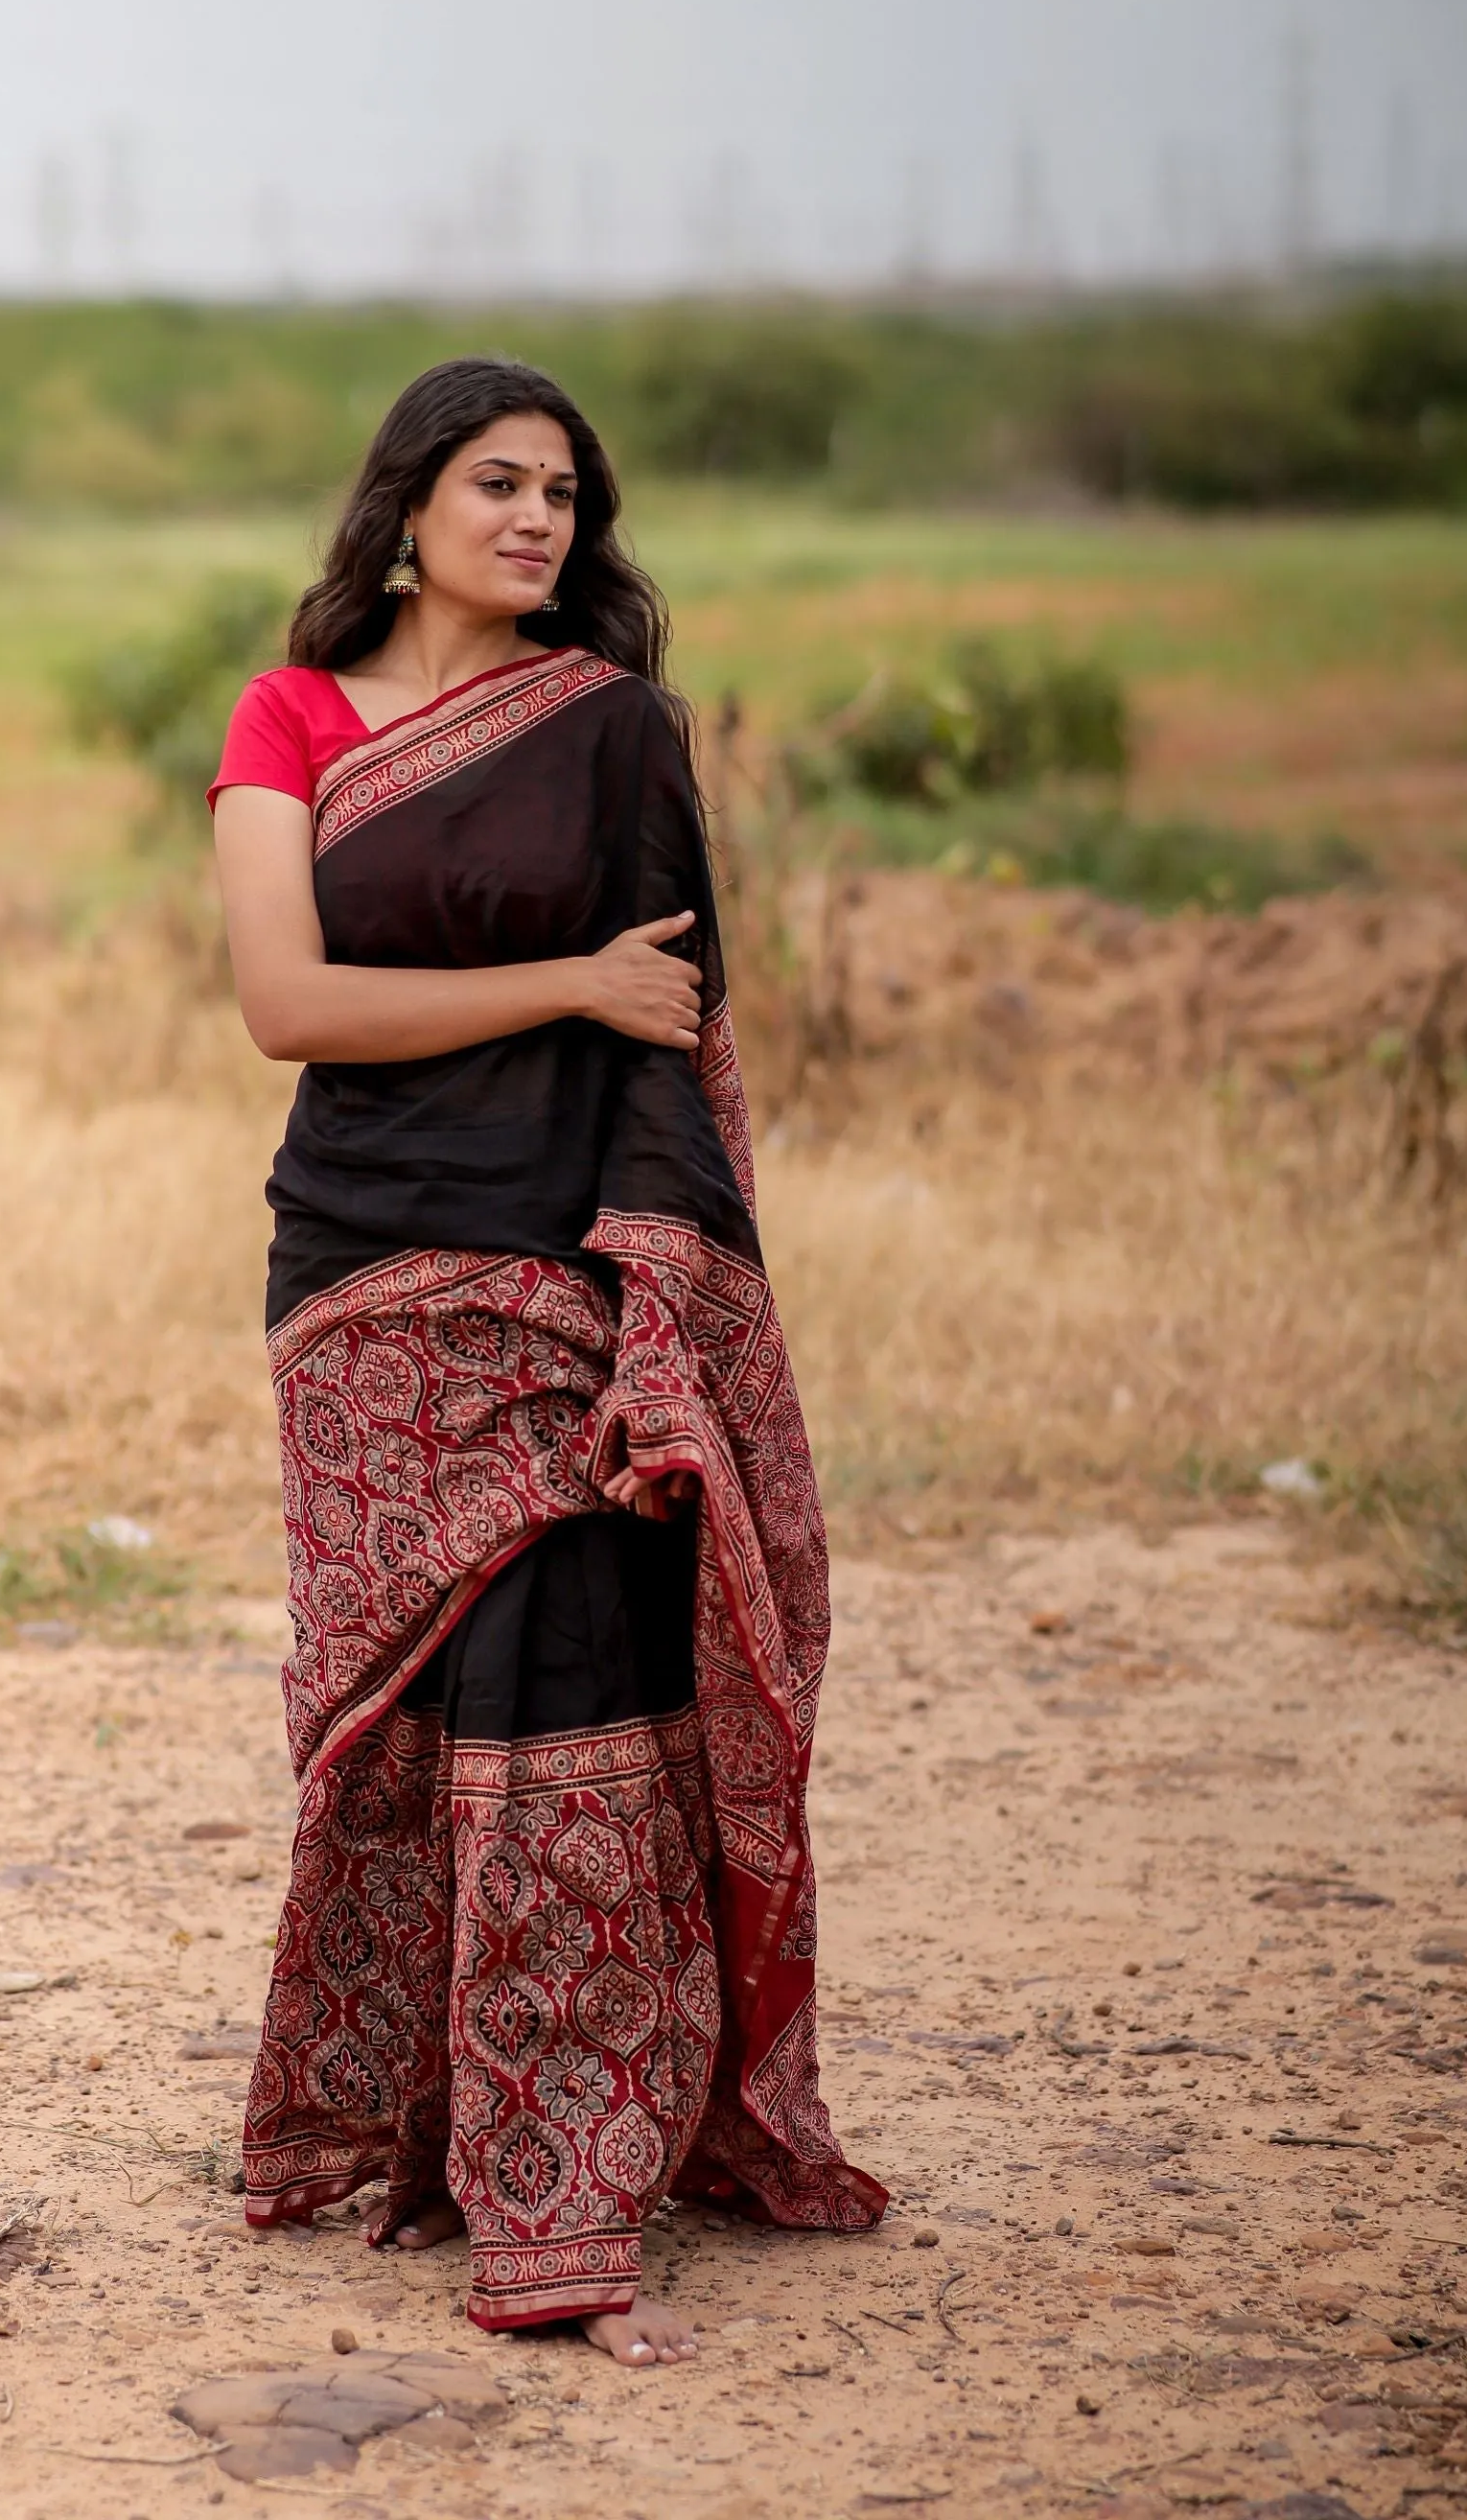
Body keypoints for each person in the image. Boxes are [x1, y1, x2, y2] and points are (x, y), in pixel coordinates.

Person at [210, 355, 885, 2368]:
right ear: (404, 501)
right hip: (357, 1268)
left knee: (574, 1704)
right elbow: (283, 1002)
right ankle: (421, 2126)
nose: (536, 523)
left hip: (563, 1261)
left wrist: (657, 1299)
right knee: (396, 1714)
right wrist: (566, 982)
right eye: (496, 484)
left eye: (565, 499)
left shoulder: (609, 736)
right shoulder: (294, 715)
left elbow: (675, 1038)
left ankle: (570, 2197)